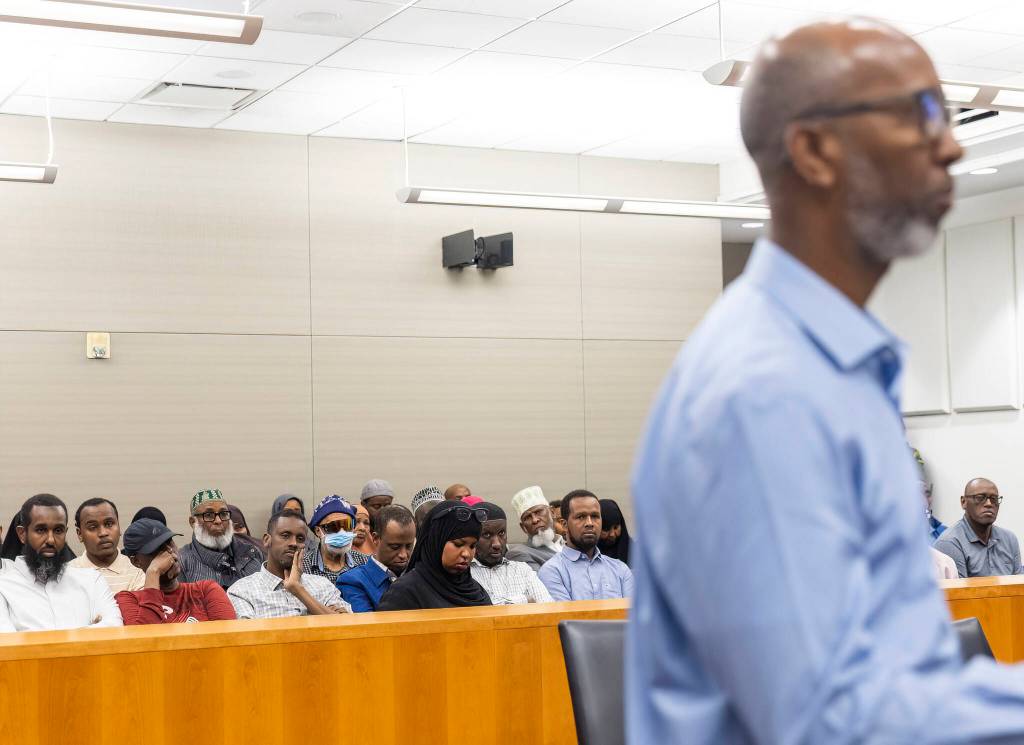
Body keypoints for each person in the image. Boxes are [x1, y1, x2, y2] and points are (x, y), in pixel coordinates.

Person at [626, 20, 1024, 745]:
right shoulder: (767, 388)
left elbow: (901, 675)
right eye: (922, 115)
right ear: (813, 150)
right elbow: (833, 718)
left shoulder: (835, 371)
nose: (955, 144)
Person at [0, 494, 122, 631]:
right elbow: (8, 645)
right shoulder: (3, 586)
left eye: (58, 530)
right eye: (41, 530)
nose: (51, 540)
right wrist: (89, 630)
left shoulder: (92, 580)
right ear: (22, 534)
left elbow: (114, 628)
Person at [228, 509, 351, 618]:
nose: (293, 543)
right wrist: (324, 613)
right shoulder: (242, 591)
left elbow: (348, 629)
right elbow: (250, 640)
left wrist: (298, 590)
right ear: (266, 540)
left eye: (300, 538)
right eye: (285, 535)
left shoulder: (322, 585)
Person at [115, 518, 236, 624]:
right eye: (157, 550)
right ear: (136, 561)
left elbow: (228, 638)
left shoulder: (206, 590)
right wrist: (153, 572)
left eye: (170, 543)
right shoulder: (128, 599)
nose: (170, 552)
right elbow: (144, 641)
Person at [377, 501, 491, 611]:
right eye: (458, 544)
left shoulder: (475, 591)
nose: (466, 554)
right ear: (436, 542)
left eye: (472, 546)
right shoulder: (405, 592)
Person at [539, 490, 632, 601]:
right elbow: (565, 617)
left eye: (595, 516)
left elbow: (634, 615)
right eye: (581, 517)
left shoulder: (620, 569)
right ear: (564, 525)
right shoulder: (552, 571)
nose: (590, 523)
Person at [934, 478, 1023, 578]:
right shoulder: (950, 542)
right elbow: (960, 592)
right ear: (963, 502)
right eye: (980, 498)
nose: (989, 504)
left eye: (994, 499)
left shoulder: (1009, 539)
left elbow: (1020, 585)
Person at [178, 489, 263, 589]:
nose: (218, 521)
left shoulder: (252, 553)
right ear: (193, 522)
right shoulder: (182, 562)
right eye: (209, 515)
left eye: (223, 514)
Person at [470, 502, 552, 605]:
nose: (497, 544)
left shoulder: (522, 570)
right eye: (486, 535)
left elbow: (547, 608)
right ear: (472, 538)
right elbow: (478, 612)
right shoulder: (465, 573)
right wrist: (525, 600)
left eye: (501, 533)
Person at [338, 505, 416, 612]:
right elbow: (368, 626)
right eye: (395, 547)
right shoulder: (353, 581)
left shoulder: (420, 576)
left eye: (409, 546)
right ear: (375, 539)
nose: (403, 554)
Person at [69, 498, 145, 594]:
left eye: (109, 524)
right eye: (93, 527)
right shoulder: (66, 574)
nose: (103, 533)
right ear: (80, 534)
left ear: (119, 527)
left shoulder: (138, 571)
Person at [302, 494, 369, 582]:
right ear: (318, 531)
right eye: (333, 527)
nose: (342, 532)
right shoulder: (303, 566)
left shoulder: (365, 562)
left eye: (347, 525)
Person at [506, 486, 564, 572]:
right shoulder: (519, 553)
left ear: (552, 513)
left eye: (538, 512)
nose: (535, 520)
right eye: (528, 517)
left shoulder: (570, 545)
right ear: (523, 527)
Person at [597, 499, 631, 565]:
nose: (612, 534)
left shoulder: (635, 552)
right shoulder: (585, 554)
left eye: (616, 527)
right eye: (606, 529)